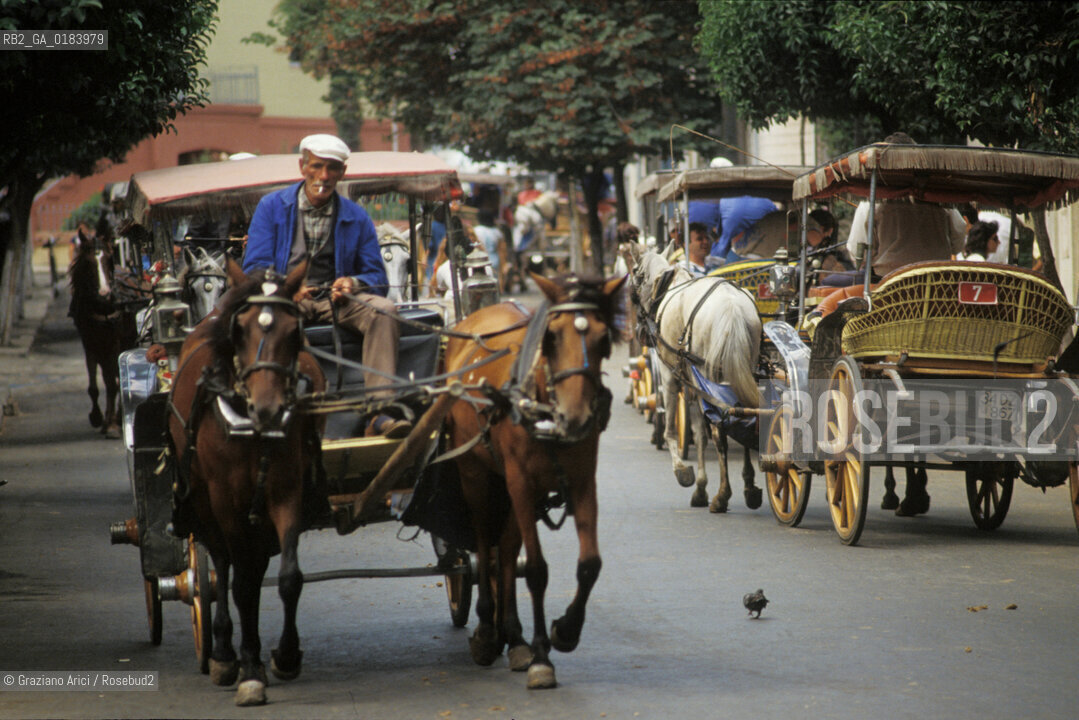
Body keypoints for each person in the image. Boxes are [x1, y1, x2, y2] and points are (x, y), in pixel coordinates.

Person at [243, 133, 411, 438]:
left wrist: (352, 282)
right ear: (302, 166)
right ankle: (280, 402)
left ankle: (380, 412)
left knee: (384, 311)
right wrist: (286, 290)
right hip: (285, 300)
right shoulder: (271, 208)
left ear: (343, 173)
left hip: (338, 302)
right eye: (317, 166)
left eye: (333, 168)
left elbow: (377, 277)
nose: (324, 176)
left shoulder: (357, 217)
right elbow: (254, 269)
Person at [845, 133, 966, 280]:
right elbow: (958, 240)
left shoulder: (871, 200)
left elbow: (858, 250)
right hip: (935, 279)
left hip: (889, 281)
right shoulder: (939, 197)